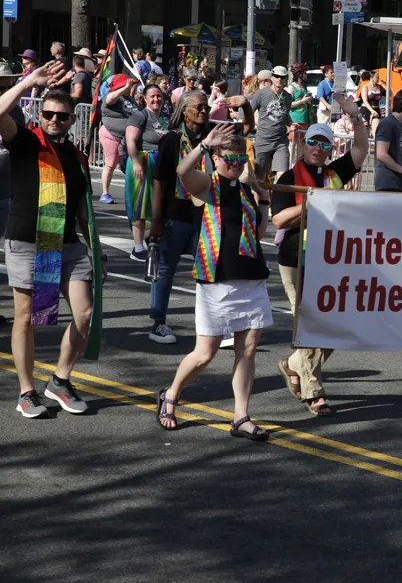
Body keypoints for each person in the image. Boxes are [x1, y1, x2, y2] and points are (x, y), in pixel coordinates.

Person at [0, 61, 107, 418]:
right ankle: (27, 391)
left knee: (85, 313)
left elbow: (83, 212)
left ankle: (60, 380)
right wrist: (29, 81)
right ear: (39, 114)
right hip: (26, 241)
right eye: (48, 114)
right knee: (25, 318)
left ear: (73, 119)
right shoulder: (26, 141)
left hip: (68, 243)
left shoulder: (76, 157)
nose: (54, 120)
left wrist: (97, 252)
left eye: (62, 116)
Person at [156, 127, 273, 440]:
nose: (234, 164)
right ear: (216, 159)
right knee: (205, 353)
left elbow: (259, 233)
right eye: (228, 158)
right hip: (217, 280)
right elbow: (182, 171)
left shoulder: (244, 189)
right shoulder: (208, 185)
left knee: (248, 351)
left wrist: (261, 196)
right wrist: (205, 145)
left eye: (239, 159)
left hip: (250, 277)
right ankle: (171, 394)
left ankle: (241, 416)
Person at [271, 99, 369, 416]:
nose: (317, 147)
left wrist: (355, 116)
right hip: (296, 259)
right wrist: (310, 202)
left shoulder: (334, 173)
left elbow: (362, 149)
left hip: (330, 261)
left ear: (330, 149)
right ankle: (314, 392)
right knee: (310, 326)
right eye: (313, 141)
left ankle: (293, 364)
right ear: (304, 144)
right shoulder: (288, 177)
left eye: (324, 143)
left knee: (339, 327)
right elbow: (278, 220)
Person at [148, 91, 214, 344]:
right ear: (184, 110)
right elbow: (160, 181)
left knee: (208, 271)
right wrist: (156, 221)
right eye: (198, 106)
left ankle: (211, 325)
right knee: (165, 270)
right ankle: (158, 323)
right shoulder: (171, 140)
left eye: (206, 107)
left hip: (205, 216)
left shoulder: (211, 137)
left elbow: (247, 129)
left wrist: (246, 107)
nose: (204, 110)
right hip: (175, 215)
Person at [124, 83, 170, 261]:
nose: (156, 99)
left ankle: (152, 240)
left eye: (159, 96)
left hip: (160, 163)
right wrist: (136, 162)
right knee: (140, 205)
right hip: (143, 162)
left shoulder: (164, 118)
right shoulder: (139, 116)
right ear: (144, 98)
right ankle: (137, 248)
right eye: (152, 96)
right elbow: (130, 141)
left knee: (158, 204)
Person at [223, 66, 292, 180]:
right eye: (277, 76)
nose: (279, 79)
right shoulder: (261, 94)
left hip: (281, 141)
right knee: (259, 178)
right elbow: (248, 111)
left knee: (282, 175)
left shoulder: (288, 97)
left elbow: (285, 114)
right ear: (272, 77)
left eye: (282, 77)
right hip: (263, 141)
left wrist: (292, 124)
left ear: (285, 79)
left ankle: (277, 192)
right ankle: (260, 192)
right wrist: (242, 125)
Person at [98, 74, 141, 204]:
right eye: (129, 85)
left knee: (130, 165)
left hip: (127, 139)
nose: (131, 87)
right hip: (111, 135)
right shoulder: (110, 96)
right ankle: (105, 193)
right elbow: (109, 99)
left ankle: (135, 193)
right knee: (110, 164)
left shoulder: (129, 98)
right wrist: (124, 88)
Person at [287, 64, 313, 164]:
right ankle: (291, 167)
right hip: (294, 120)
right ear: (299, 74)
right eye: (305, 73)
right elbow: (288, 104)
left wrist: (308, 100)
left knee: (302, 145)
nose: (306, 75)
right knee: (293, 145)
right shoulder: (291, 87)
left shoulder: (304, 87)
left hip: (305, 120)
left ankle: (299, 166)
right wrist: (302, 101)